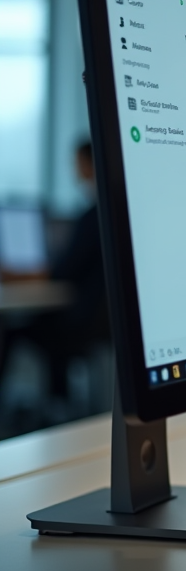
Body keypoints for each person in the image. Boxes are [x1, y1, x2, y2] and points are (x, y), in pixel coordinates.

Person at [0, 142, 108, 409]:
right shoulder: (108, 215)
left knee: (14, 331)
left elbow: (63, 271)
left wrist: (21, 275)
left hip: (80, 324)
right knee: (43, 320)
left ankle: (51, 405)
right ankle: (59, 403)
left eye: (76, 163)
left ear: (87, 164)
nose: (74, 169)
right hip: (97, 325)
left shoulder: (91, 218)